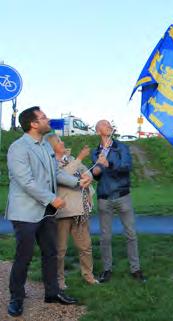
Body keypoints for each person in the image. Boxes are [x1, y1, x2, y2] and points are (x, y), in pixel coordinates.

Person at [5, 106, 92, 317]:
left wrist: (77, 182)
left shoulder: (45, 146)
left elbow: (55, 174)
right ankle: (16, 297)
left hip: (47, 211)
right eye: (43, 117)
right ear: (33, 124)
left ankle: (52, 293)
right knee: (23, 256)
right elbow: (26, 181)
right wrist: (52, 198)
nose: (48, 119)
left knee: (50, 253)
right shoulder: (18, 148)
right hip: (25, 212)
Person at [91, 119, 145, 283]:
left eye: (110, 124)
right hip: (104, 197)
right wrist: (97, 168)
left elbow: (126, 167)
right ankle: (107, 269)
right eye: (105, 125)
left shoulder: (121, 147)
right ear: (98, 131)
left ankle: (135, 269)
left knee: (130, 234)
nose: (109, 126)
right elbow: (96, 176)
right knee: (105, 237)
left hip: (122, 195)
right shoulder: (96, 152)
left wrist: (109, 163)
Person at [46, 134, 99, 289]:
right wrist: (80, 158)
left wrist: (88, 177)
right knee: (60, 249)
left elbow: (85, 171)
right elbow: (63, 176)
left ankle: (88, 276)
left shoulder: (71, 158)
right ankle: (59, 280)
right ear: (50, 146)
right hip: (62, 212)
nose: (62, 142)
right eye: (58, 141)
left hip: (80, 210)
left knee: (85, 247)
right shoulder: (51, 163)